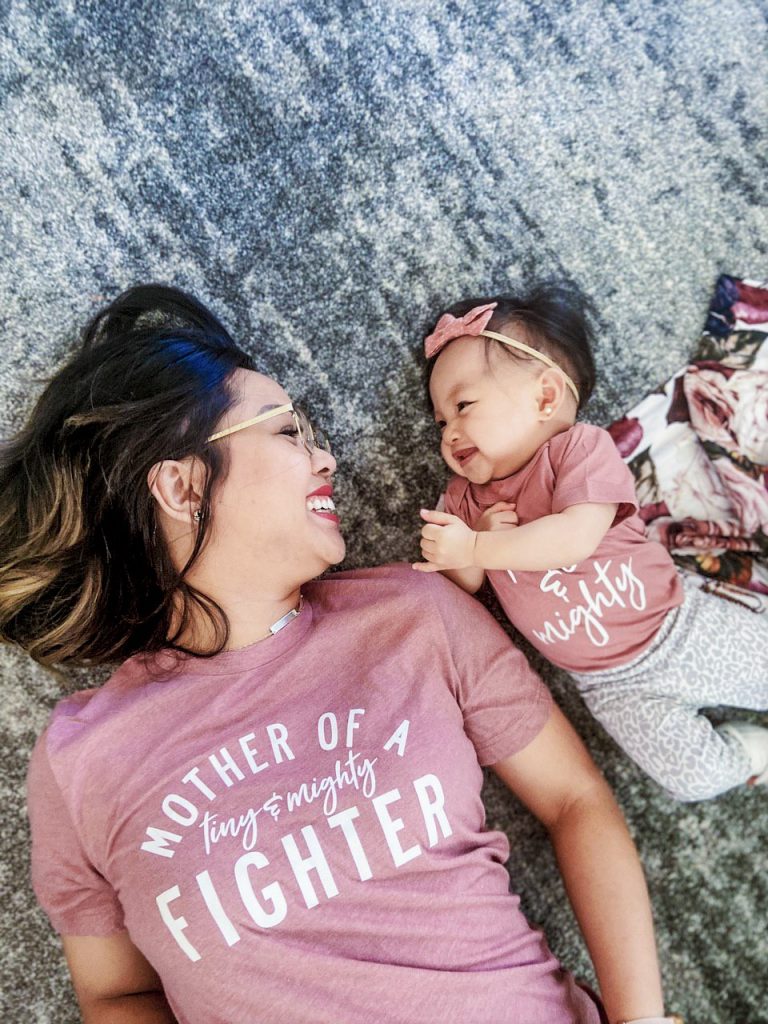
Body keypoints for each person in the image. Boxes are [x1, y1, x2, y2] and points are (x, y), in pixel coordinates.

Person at [4, 285, 675, 1024]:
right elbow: (115, 994)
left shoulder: (415, 613)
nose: (325, 455)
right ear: (183, 483)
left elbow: (575, 801)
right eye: (288, 432)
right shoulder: (80, 761)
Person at [414, 283, 768, 803]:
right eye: (441, 420)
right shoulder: (463, 499)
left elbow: (575, 538)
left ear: (546, 396)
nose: (448, 432)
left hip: (677, 628)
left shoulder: (578, 451)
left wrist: (478, 550)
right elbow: (459, 590)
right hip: (610, 685)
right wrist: (461, 554)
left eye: (464, 405)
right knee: (694, 781)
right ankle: (750, 753)